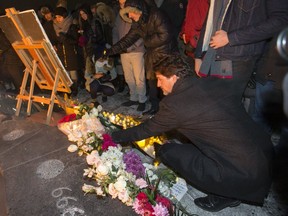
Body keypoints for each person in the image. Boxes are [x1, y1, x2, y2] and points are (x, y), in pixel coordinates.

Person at [111, 54, 274, 212]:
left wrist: (114, 137)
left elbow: (145, 129)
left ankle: (226, 194)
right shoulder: (211, 82)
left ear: (174, 77)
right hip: (266, 156)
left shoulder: (174, 105)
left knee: (168, 151)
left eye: (160, 79)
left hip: (243, 174)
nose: (158, 85)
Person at [104, 0, 178, 115]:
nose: (129, 16)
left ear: (136, 9)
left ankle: (171, 111)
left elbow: (166, 34)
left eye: (130, 13)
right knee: (152, 82)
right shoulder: (138, 23)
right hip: (152, 55)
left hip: (166, 55)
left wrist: (147, 41)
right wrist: (111, 51)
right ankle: (155, 107)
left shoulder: (156, 15)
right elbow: (127, 39)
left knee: (167, 84)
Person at [113, 0, 147, 112]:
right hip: (123, 52)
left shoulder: (135, 13)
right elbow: (116, 32)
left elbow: (142, 32)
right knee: (128, 76)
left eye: (123, 2)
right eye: (120, 3)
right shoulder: (119, 16)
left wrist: (132, 47)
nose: (122, 5)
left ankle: (142, 100)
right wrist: (116, 46)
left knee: (139, 77)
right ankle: (133, 97)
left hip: (137, 51)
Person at [44, 6, 79, 96]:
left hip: (71, 52)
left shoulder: (71, 25)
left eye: (60, 17)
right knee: (64, 72)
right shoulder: (54, 26)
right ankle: (66, 90)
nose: (58, 19)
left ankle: (74, 89)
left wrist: (66, 37)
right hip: (60, 52)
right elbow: (53, 38)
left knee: (72, 72)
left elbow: (75, 40)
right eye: (56, 17)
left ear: (65, 16)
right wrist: (54, 44)